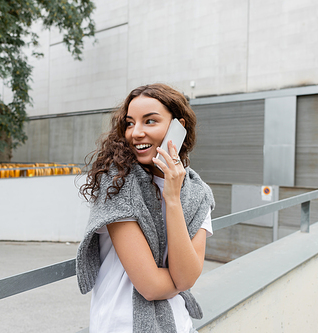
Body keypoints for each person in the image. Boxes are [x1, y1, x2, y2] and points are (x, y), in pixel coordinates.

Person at [76, 83, 215, 333]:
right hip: (120, 326)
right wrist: (178, 279)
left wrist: (172, 198)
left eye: (149, 121)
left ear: (178, 127)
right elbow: (150, 286)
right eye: (130, 123)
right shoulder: (117, 184)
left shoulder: (197, 192)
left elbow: (187, 278)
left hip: (179, 326)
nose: (136, 133)